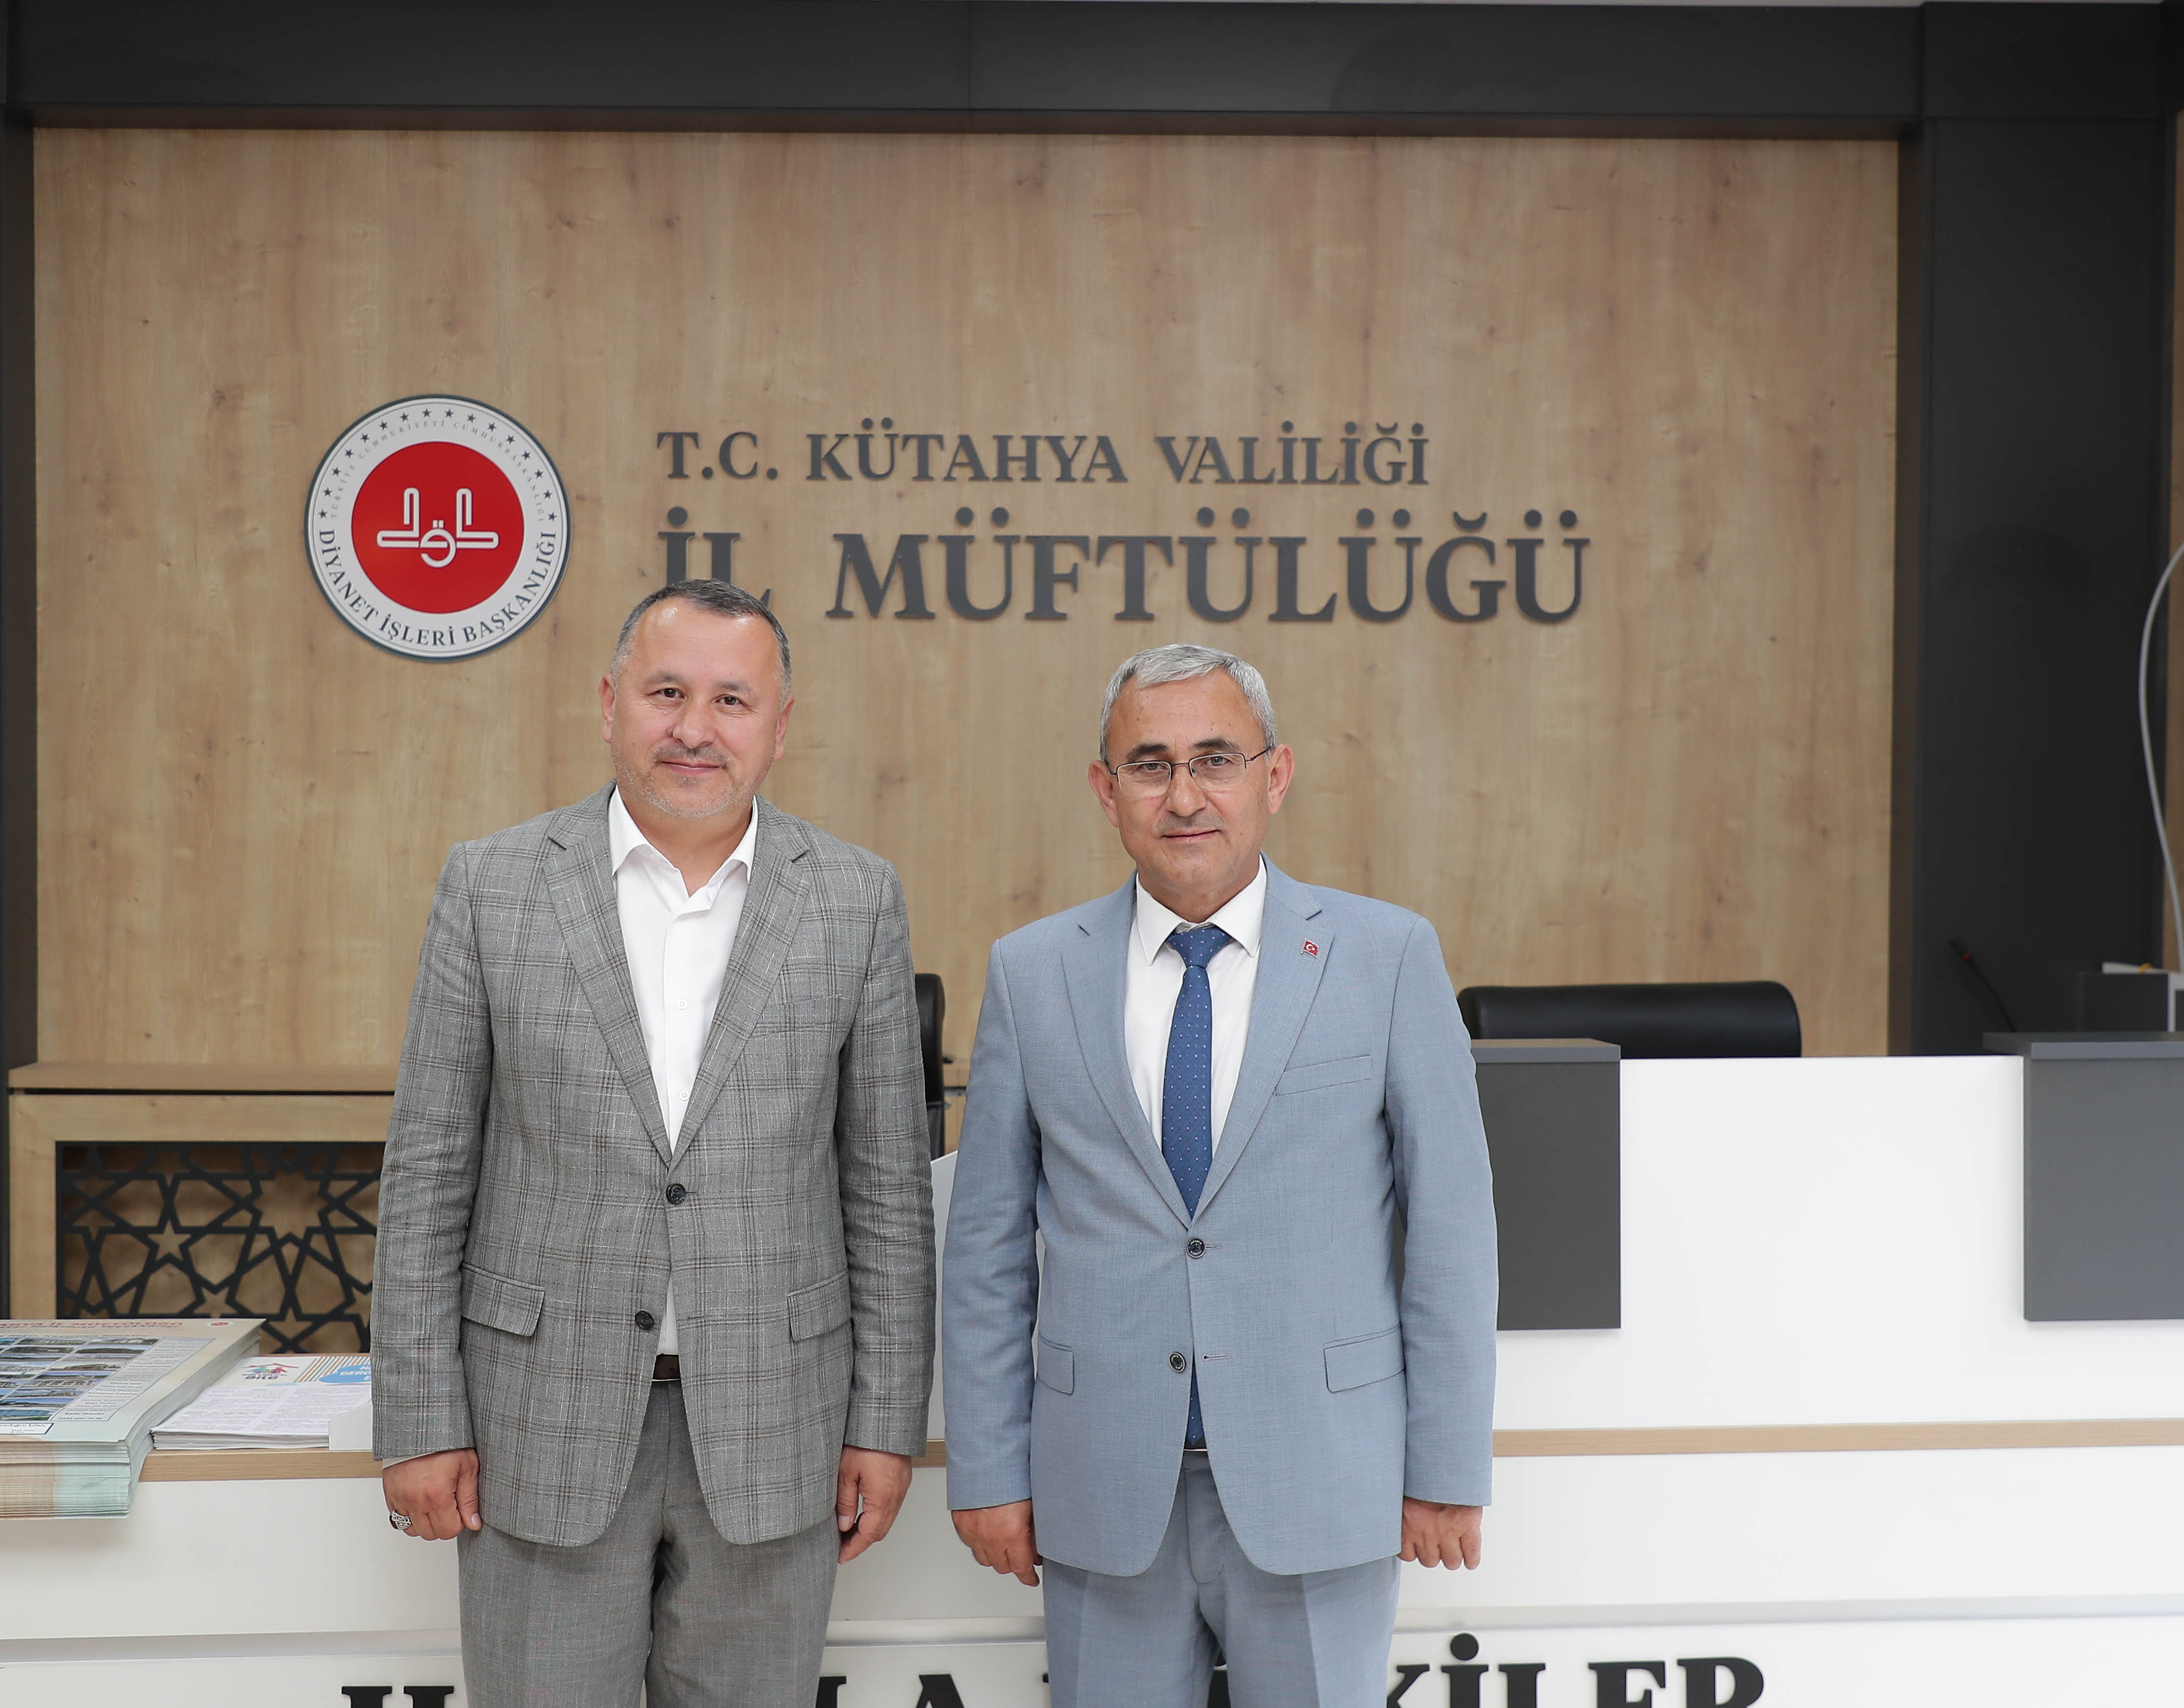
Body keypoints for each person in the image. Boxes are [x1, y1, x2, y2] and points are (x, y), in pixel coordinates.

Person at [372, 579, 935, 1708]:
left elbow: (883, 1191)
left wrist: (886, 1424)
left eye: (732, 700)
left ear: (779, 725)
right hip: (539, 1426)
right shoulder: (492, 886)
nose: (694, 728)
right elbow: (429, 1170)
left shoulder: (854, 901)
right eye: (666, 692)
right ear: (609, 704)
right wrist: (420, 1420)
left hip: (777, 1427)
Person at [942, 642, 1497, 1708]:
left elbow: (1452, 1233)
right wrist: (990, 1469)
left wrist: (1445, 1468)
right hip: (1103, 1487)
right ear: (1105, 789)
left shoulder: (1386, 957)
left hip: (1322, 1479)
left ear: (1274, 776)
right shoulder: (1031, 972)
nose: (1184, 795)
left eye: (1215, 760)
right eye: (1149, 765)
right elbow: (986, 1252)